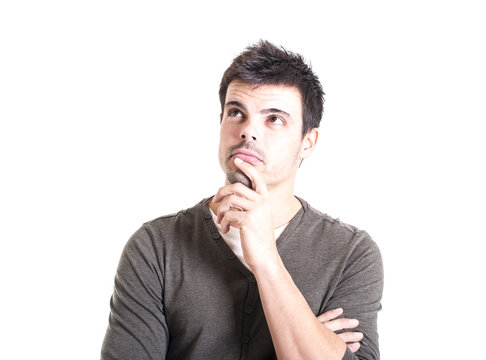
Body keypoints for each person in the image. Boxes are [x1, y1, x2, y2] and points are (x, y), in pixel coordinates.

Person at [101, 40, 383, 360]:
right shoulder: (156, 247)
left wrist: (266, 259)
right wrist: (313, 339)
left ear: (308, 141)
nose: (248, 131)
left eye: (274, 118)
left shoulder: (350, 253)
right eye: (237, 112)